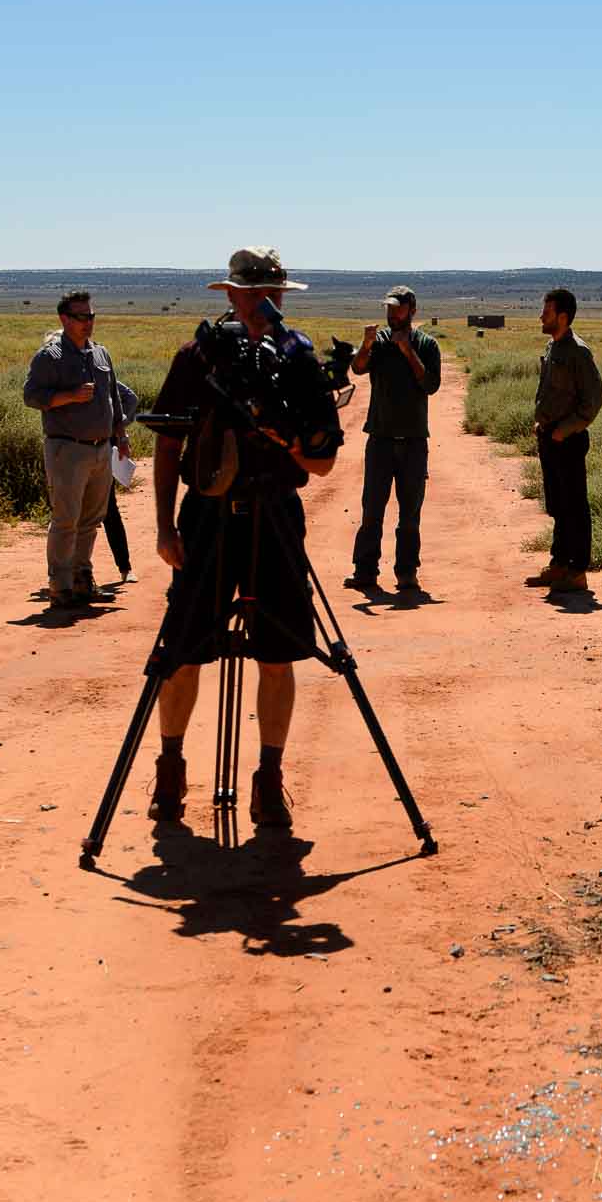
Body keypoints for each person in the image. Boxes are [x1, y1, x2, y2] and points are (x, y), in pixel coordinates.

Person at [146, 247, 343, 829]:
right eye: (251, 292)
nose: (264, 303)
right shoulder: (197, 359)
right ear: (229, 295)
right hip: (207, 519)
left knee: (280, 656)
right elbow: (166, 445)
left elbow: (323, 464)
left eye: (272, 293)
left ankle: (269, 779)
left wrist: (287, 440)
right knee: (182, 653)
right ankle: (171, 769)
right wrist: (162, 527)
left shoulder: (298, 360)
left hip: (276, 518)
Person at [23, 290, 130, 606]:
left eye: (91, 316)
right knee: (66, 519)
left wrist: (120, 437)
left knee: (91, 520)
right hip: (67, 449)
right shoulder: (50, 357)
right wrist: (67, 396)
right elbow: (31, 397)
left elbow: (113, 399)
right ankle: (60, 585)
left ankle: (83, 578)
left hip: (101, 448)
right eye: (81, 317)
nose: (88, 322)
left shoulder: (101, 354)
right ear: (64, 319)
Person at [346, 284, 441, 593]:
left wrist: (408, 351)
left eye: (397, 308)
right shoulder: (380, 343)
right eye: (388, 308)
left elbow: (430, 385)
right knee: (372, 508)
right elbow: (358, 368)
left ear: (411, 310)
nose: (391, 314)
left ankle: (407, 572)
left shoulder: (427, 345)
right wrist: (366, 344)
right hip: (381, 439)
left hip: (414, 441)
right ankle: (365, 571)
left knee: (410, 512)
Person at [525, 287, 602, 594]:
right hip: (550, 438)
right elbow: (548, 391)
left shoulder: (578, 352)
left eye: (546, 312)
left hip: (567, 441)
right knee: (558, 505)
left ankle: (577, 571)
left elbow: (593, 400)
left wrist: (564, 429)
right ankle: (559, 564)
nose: (540, 317)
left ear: (562, 316)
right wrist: (541, 423)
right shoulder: (552, 347)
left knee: (575, 507)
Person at [102, 379, 140, 584]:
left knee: (109, 511)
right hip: (78, 449)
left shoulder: (99, 365)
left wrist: (117, 428)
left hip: (102, 447)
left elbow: (130, 398)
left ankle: (125, 567)